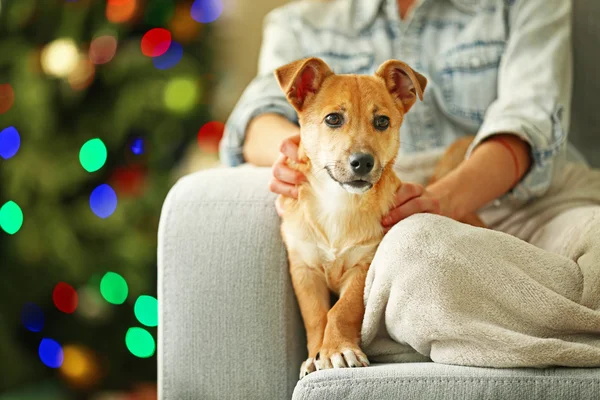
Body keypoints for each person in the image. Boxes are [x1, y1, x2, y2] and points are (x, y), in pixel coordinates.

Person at [219, 0, 600, 368]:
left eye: (380, 122)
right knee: (419, 256)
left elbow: (529, 121)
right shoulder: (299, 21)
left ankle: (430, 332)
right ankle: (543, 327)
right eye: (335, 120)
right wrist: (295, 152)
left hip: (529, 198)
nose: (359, 140)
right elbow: (254, 118)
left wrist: (441, 200)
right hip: (404, 215)